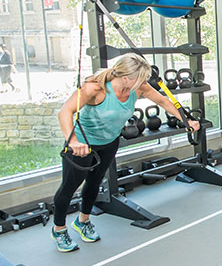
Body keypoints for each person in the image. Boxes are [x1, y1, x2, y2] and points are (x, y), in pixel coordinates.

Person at [51, 54, 200, 252]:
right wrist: (73, 141)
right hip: (82, 145)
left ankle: (83, 221)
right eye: (140, 78)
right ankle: (59, 229)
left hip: (109, 143)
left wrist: (185, 120)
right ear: (125, 77)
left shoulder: (137, 88)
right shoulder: (95, 88)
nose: (143, 83)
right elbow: (65, 112)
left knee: (95, 183)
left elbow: (164, 102)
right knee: (69, 187)